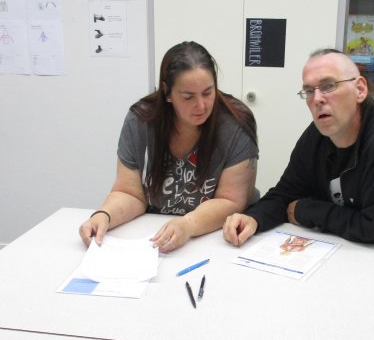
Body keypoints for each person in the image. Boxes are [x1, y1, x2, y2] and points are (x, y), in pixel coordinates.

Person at [223, 48, 374, 246]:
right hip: (346, 246)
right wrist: (253, 218)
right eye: (309, 91)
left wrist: (306, 210)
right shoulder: (317, 135)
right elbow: (286, 193)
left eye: (328, 86)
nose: (317, 99)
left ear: (360, 89)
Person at [80, 41, 259, 253]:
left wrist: (188, 224)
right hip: (154, 234)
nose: (201, 105)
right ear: (167, 92)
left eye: (208, 92)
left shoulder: (235, 124)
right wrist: (104, 215)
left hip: (219, 238)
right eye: (188, 97)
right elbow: (130, 193)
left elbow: (231, 200)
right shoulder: (141, 121)